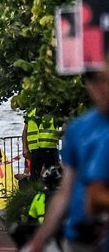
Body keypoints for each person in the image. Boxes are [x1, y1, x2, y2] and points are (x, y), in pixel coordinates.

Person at [25, 68, 109, 252]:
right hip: (81, 235)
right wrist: (38, 242)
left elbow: (95, 195)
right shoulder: (79, 128)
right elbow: (65, 192)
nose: (101, 89)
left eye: (105, 81)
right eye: (94, 82)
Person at [23, 109, 61, 181]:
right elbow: (25, 131)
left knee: (52, 178)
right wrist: (25, 148)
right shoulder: (30, 112)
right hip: (35, 150)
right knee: (35, 178)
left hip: (50, 150)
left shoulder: (53, 110)